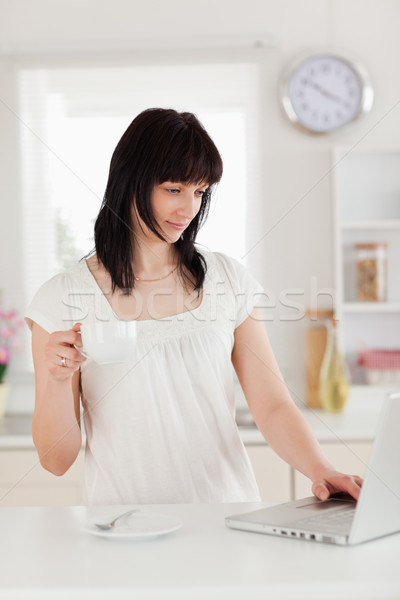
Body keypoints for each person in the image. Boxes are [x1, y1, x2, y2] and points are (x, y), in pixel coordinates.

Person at [25, 108, 362, 505]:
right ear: (130, 181)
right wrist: (59, 383)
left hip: (226, 520)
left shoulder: (227, 278)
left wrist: (321, 469)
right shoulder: (63, 297)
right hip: (124, 534)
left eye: (200, 192)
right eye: (174, 189)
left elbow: (272, 405)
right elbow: (56, 461)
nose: (189, 209)